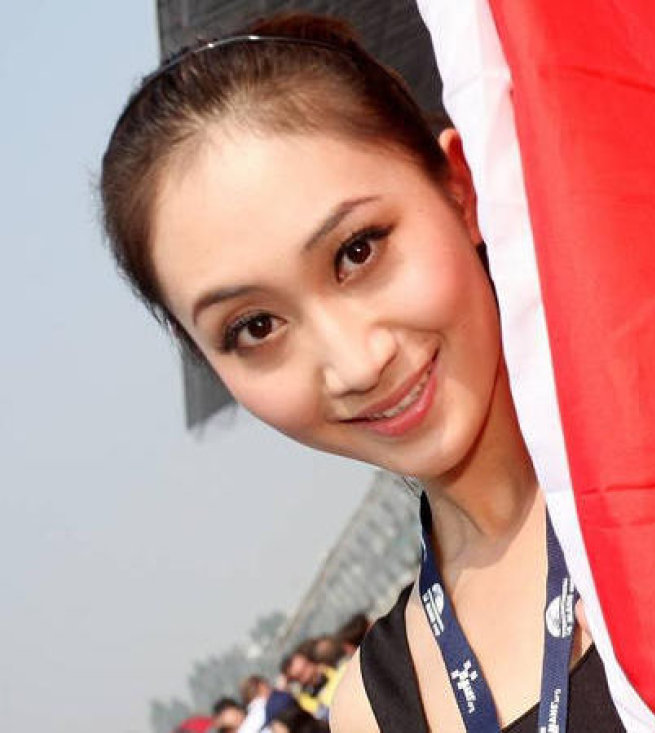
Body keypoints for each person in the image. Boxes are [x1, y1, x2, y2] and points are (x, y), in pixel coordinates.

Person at [100, 11, 625, 733]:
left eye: (357, 250)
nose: (355, 362)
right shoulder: (373, 711)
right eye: (255, 327)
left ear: (460, 188)